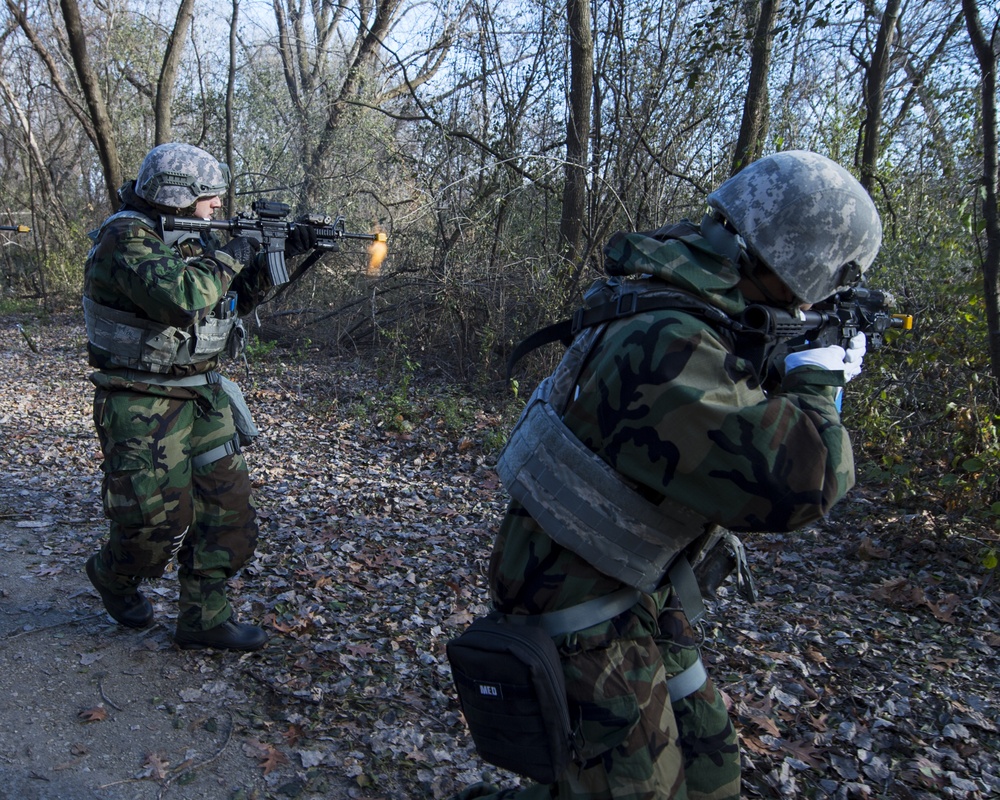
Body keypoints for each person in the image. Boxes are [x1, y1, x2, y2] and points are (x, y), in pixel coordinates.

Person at [453, 150, 881, 799]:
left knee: (710, 769)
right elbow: (795, 486)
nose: (809, 302)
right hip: (576, 602)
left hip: (634, 584)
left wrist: (790, 356)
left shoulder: (689, 295)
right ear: (798, 259)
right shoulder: (667, 333)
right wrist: (818, 379)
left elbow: (717, 405)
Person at [82, 142, 314, 650]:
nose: (216, 207)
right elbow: (184, 297)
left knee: (229, 512)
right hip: (140, 397)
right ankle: (113, 576)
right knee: (152, 523)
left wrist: (284, 250)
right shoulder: (124, 238)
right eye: (209, 197)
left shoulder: (188, 235)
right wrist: (237, 250)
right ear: (176, 195)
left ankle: (204, 617)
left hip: (202, 395)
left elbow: (227, 300)